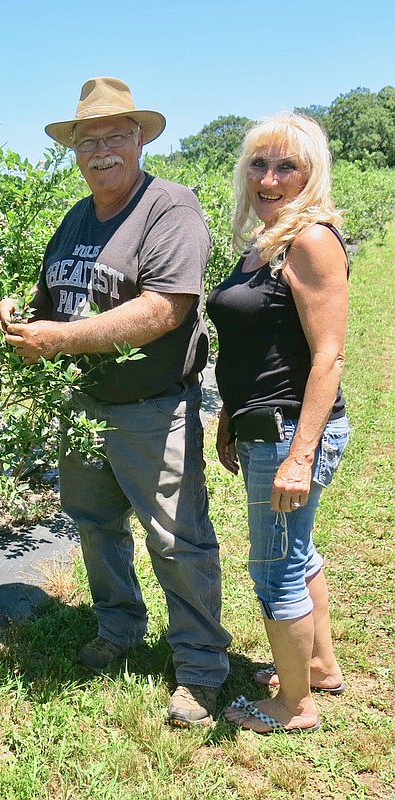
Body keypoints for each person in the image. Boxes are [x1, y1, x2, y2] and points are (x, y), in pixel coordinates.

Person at [0, 77, 231, 727]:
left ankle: (203, 669)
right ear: (74, 150)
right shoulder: (76, 217)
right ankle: (119, 628)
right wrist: (18, 316)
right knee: (95, 525)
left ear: (140, 140)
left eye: (114, 136)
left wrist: (57, 338)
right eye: (87, 139)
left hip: (153, 408)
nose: (100, 150)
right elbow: (56, 296)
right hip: (82, 405)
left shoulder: (170, 209)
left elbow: (164, 310)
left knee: (178, 542)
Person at [206, 113, 350, 733]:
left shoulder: (310, 240)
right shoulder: (268, 240)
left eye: (285, 165)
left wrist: (299, 456)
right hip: (265, 425)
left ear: (310, 174)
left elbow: (329, 355)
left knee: (275, 566)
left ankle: (292, 706)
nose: (269, 177)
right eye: (258, 165)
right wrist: (231, 420)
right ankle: (319, 667)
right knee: (298, 551)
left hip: (292, 432)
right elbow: (256, 345)